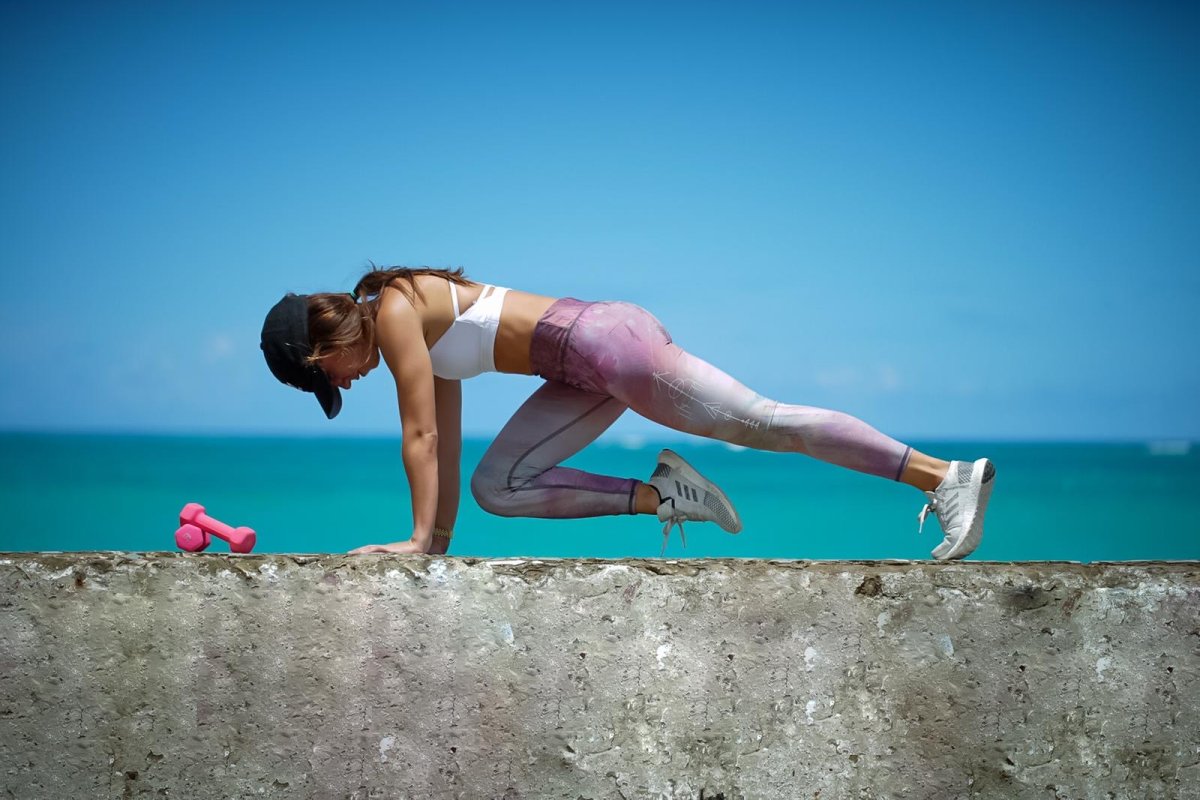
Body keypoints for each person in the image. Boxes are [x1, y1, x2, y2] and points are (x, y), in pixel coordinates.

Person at [261, 266, 995, 558]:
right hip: (581, 370)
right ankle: (665, 493)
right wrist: (435, 544)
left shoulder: (392, 309)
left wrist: (416, 544)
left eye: (329, 378)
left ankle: (942, 476)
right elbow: (443, 446)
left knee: (765, 423)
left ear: (325, 343)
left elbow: (417, 434)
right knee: (498, 487)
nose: (345, 386)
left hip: (607, 347)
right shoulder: (407, 330)